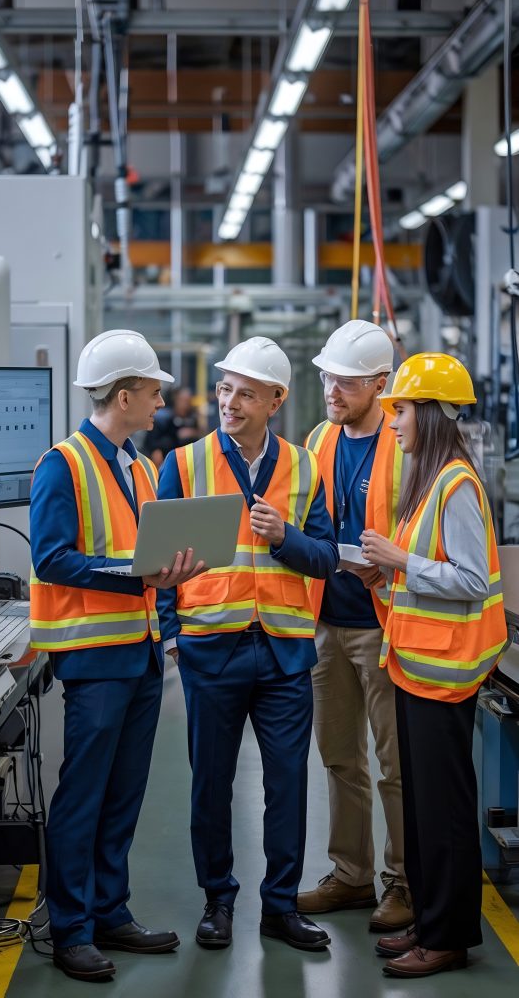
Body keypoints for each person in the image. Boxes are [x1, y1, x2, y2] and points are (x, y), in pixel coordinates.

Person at [29, 329, 203, 982]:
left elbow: (145, 556)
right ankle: (71, 928)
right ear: (124, 394)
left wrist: (166, 585)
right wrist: (136, 575)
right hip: (94, 660)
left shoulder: (133, 465)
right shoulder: (63, 464)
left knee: (124, 794)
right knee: (84, 796)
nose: (161, 401)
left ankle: (110, 911)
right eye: (153, 390)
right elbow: (52, 557)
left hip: (141, 655)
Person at [156, 336, 339, 952]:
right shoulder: (183, 465)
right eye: (226, 388)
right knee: (210, 783)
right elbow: (157, 563)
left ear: (276, 401)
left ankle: (280, 907)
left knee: (287, 784)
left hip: (285, 652)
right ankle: (218, 900)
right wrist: (175, 634)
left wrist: (286, 537)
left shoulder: (305, 467)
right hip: (212, 649)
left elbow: (324, 559)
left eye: (246, 394)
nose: (229, 402)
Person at [357, 353, 507, 978]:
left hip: (446, 677)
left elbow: (469, 579)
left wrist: (397, 559)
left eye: (401, 409)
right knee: (422, 808)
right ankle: (429, 920)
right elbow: (428, 574)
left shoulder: (456, 485)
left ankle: (447, 937)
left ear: (432, 414)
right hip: (418, 669)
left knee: (443, 812)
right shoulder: (431, 479)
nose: (393, 422)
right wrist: (384, 567)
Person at [297, 320, 413, 933]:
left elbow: (426, 533)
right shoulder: (319, 438)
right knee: (340, 757)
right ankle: (351, 874)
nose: (331, 389)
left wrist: (389, 567)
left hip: (385, 623)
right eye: (326, 377)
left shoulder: (404, 442)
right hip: (327, 621)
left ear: (379, 383)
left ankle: (404, 882)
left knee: (397, 765)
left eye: (343, 380)